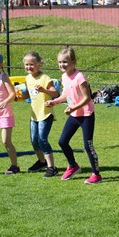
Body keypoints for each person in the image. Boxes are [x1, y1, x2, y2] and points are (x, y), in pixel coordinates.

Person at [46, 47, 101, 183]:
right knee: (62, 141)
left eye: (65, 62)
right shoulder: (64, 76)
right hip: (74, 114)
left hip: (86, 115)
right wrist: (55, 101)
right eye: (60, 62)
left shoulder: (80, 77)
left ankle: (96, 175)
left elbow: (87, 97)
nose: (62, 65)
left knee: (88, 145)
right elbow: (67, 93)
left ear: (73, 62)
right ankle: (73, 166)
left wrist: (72, 108)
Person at [23, 51, 60, 178]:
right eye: (26, 64)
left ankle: (52, 167)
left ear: (39, 64)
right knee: (34, 140)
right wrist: (21, 95)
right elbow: (29, 94)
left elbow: (55, 94)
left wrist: (44, 90)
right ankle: (42, 161)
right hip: (34, 115)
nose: (29, 67)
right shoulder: (27, 78)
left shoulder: (45, 78)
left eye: (31, 64)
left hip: (45, 114)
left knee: (42, 139)